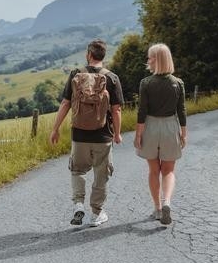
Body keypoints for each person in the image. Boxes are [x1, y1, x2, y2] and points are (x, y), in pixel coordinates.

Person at [50, 39, 123, 227]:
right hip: (103, 135)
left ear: (88, 55)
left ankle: (78, 204)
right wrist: (117, 133)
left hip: (80, 135)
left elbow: (65, 103)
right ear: (103, 56)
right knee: (101, 174)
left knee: (77, 170)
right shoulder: (112, 78)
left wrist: (55, 129)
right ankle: (96, 213)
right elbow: (116, 110)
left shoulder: (76, 74)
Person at [133, 43, 187, 225]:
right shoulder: (178, 83)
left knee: (153, 170)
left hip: (150, 126)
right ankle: (167, 202)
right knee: (169, 170)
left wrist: (138, 134)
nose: (147, 60)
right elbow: (182, 111)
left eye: (150, 57)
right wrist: (183, 133)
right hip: (171, 126)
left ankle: (157, 208)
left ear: (156, 60)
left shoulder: (146, 83)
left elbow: (142, 111)